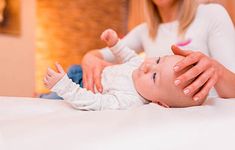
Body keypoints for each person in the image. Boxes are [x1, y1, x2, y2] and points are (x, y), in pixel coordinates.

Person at [80, 0, 235, 102]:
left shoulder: (211, 14)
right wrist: (88, 58)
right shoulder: (144, 31)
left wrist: (217, 70)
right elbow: (103, 53)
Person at [43, 29, 205, 110]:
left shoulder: (130, 100)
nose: (148, 66)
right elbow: (127, 55)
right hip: (80, 71)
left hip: (77, 88)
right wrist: (115, 43)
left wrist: (63, 86)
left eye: (154, 77)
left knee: (45, 103)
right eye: (158, 60)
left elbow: (95, 102)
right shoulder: (139, 65)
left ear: (159, 103)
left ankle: (44, 96)